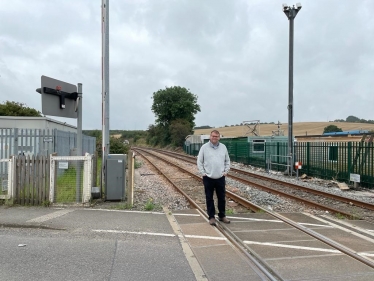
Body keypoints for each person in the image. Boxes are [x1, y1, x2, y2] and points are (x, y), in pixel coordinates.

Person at [197, 130, 231, 226]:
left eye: (216, 136)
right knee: (209, 197)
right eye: (213, 136)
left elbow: (227, 160)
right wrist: (203, 173)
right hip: (208, 177)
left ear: (219, 137)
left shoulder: (223, 147)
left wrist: (226, 171)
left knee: (221, 197)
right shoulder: (204, 147)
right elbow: (199, 161)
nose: (214, 138)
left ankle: (222, 215)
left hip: (220, 177)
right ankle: (211, 217)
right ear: (210, 137)